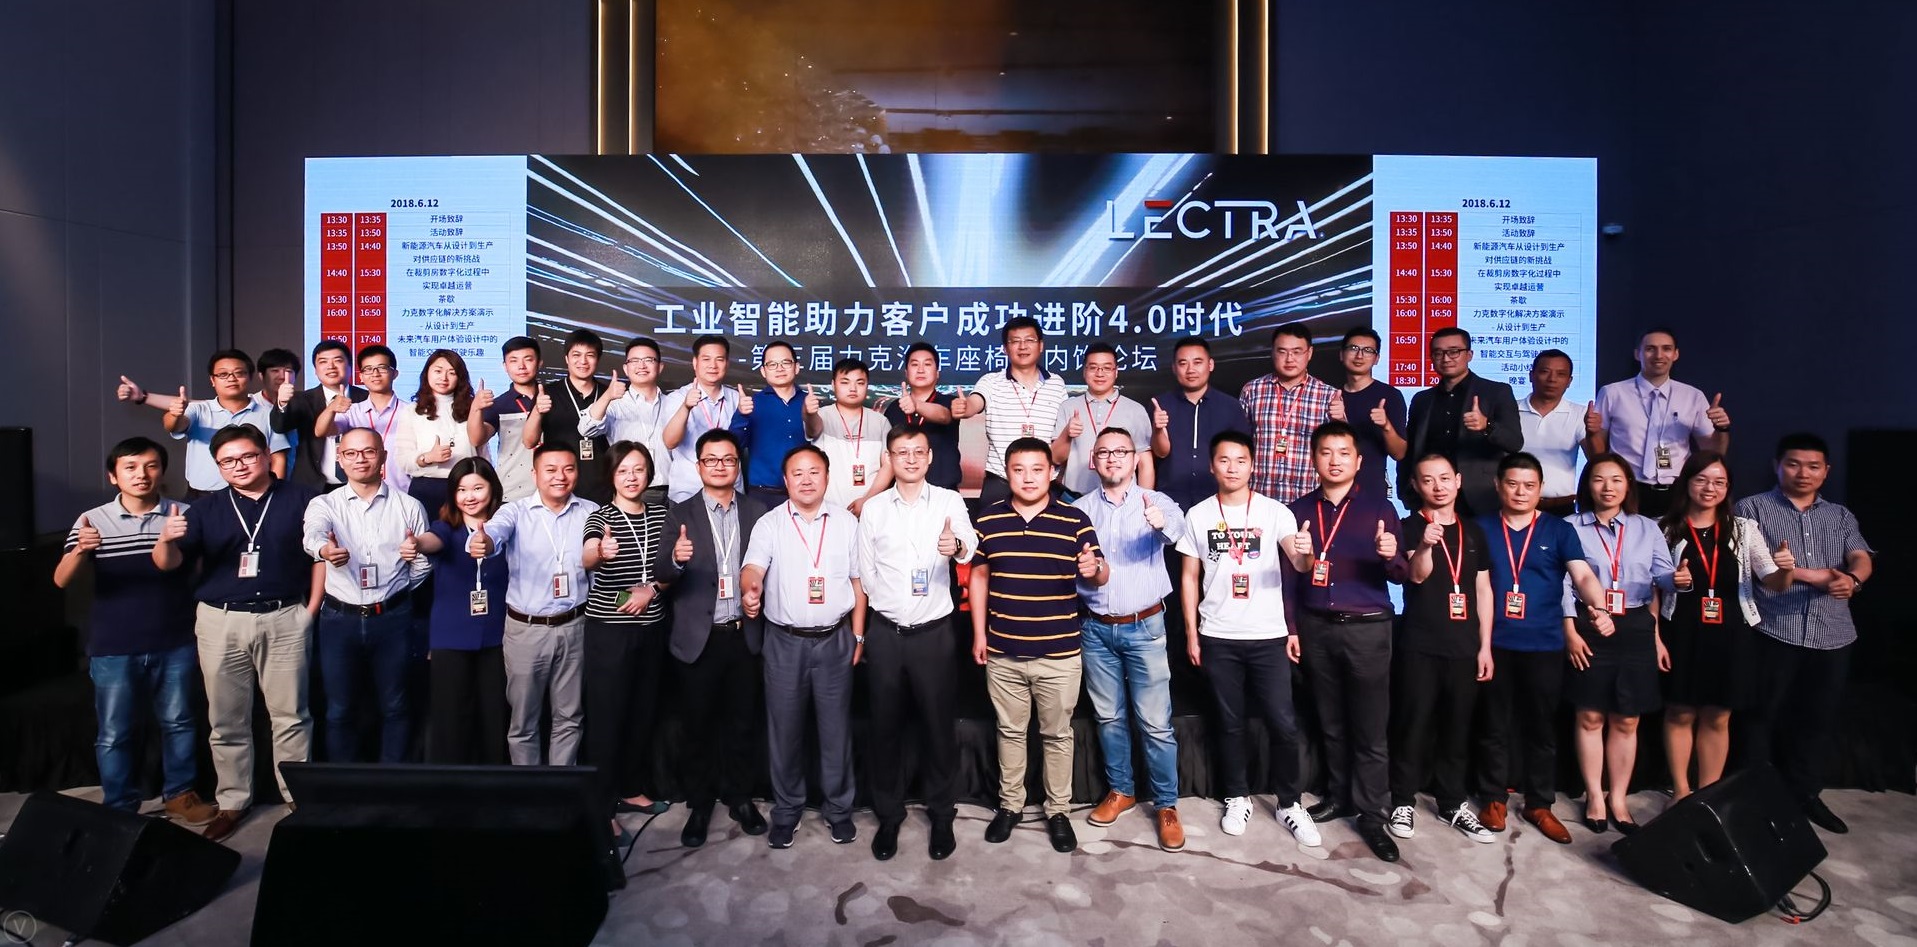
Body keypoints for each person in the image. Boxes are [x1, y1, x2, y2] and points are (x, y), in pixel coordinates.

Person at [152, 425, 322, 843]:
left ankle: (297, 799)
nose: (239, 466)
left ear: (266, 455)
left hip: (285, 616)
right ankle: (232, 801)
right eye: (227, 461)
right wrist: (165, 539)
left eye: (247, 456)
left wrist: (310, 610)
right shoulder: (204, 510)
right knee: (226, 719)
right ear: (218, 467)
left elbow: (321, 555)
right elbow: (168, 564)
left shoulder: (303, 499)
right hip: (220, 620)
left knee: (291, 716)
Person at [55, 437, 217, 826]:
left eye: (150, 465)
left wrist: (171, 541)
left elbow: (197, 572)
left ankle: (180, 795)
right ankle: (119, 806)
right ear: (113, 476)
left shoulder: (183, 513)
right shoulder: (92, 519)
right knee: (115, 732)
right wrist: (80, 550)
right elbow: (60, 580)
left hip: (175, 639)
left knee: (179, 722)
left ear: (162, 471)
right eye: (130, 467)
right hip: (113, 643)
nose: (141, 474)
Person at [1175, 430, 1319, 847]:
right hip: (1218, 634)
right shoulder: (1199, 514)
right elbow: (1189, 577)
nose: (1232, 468)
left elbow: (1300, 563)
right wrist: (1192, 633)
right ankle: (1237, 796)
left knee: (1283, 724)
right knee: (1229, 723)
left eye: (1240, 460)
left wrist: (1308, 550)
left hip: (1268, 635)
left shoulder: (1276, 512)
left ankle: (1290, 803)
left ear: (1252, 465)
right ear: (1212, 466)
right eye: (1224, 460)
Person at [970, 437, 1105, 854]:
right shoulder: (989, 519)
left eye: (1036, 469)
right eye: (1018, 470)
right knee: (1010, 732)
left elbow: (1100, 572)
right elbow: (979, 577)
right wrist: (979, 634)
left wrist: (1095, 567)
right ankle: (1010, 805)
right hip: (1003, 651)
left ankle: (1058, 810)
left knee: (1057, 735)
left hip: (1059, 653)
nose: (1028, 478)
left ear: (1052, 473)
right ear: (1007, 473)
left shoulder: (1075, 519)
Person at [1472, 452, 1614, 845]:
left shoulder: (1558, 529)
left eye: (1529, 485)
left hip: (1545, 643)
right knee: (1493, 725)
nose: (1520, 492)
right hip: (1495, 643)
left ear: (1541, 489)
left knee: (1541, 728)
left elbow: (1582, 575)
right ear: (1498, 485)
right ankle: (1493, 797)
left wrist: (1599, 607)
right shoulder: (1481, 527)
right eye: (1512, 484)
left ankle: (1539, 803)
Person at [1281, 420, 1408, 862]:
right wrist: (1292, 628)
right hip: (1316, 625)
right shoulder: (1298, 510)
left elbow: (1400, 575)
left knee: (1370, 726)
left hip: (1368, 627)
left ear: (1358, 461)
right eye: (1325, 452)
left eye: (1343, 453)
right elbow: (1290, 579)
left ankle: (1372, 814)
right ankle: (1338, 795)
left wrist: (1391, 556)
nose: (1334, 461)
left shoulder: (1380, 508)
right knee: (1330, 720)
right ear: (1313, 459)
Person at [1735, 433, 1872, 834]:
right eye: (1793, 464)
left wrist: (1853, 579)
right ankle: (1757, 797)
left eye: (1813, 466)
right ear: (1777, 466)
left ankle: (1805, 794)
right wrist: (1822, 576)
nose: (1803, 473)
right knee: (1760, 716)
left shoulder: (1840, 515)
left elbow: (1861, 556)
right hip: (1775, 630)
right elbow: (1757, 567)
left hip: (1834, 634)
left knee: (1817, 719)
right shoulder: (1752, 508)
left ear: (1826, 471)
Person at [853, 425, 974, 861]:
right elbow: (865, 572)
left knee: (938, 728)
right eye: (901, 452)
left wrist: (955, 545)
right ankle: (889, 815)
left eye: (918, 452)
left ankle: (941, 813)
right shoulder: (874, 509)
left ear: (929, 458)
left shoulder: (948, 501)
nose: (910, 459)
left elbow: (969, 545)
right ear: (889, 458)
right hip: (886, 634)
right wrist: (881, 615)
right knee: (884, 728)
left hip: (934, 634)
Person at [740, 444, 866, 849]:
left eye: (814, 472)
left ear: (827, 477)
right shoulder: (770, 523)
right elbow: (752, 568)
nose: (806, 480)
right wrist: (751, 589)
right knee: (785, 731)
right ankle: (787, 810)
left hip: (835, 640)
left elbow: (858, 583)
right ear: (785, 480)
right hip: (784, 642)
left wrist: (858, 635)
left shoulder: (846, 523)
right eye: (798, 473)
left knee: (836, 731)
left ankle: (839, 810)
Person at [653, 430, 770, 848]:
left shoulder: (757, 512)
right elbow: (662, 574)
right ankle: (699, 804)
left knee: (742, 724)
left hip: (742, 635)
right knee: (697, 726)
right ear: (699, 465)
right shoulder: (679, 512)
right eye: (711, 460)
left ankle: (741, 798)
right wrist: (676, 559)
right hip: (697, 639)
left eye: (728, 460)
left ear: (738, 466)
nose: (720, 466)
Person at [1072, 428, 1185, 851]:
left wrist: (1161, 523)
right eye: (1104, 452)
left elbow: (1177, 530)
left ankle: (1167, 805)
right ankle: (1121, 790)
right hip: (1095, 628)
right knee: (1109, 718)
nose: (1113, 458)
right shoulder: (1079, 510)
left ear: (1136, 458)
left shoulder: (1156, 502)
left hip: (1145, 627)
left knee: (1155, 723)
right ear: (1093, 461)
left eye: (1121, 451)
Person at [1658, 451, 1791, 799]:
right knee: (1679, 712)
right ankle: (1681, 792)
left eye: (1719, 482)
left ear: (1728, 487)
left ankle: (1707, 795)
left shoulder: (1744, 529)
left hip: (1731, 634)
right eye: (1701, 480)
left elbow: (1773, 581)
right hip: (1681, 632)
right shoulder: (1664, 528)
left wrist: (1786, 569)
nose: (1709, 488)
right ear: (1686, 483)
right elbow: (1651, 587)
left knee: (1718, 716)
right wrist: (1672, 583)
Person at [301, 428, 433, 763]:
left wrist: (396, 587)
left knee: (396, 706)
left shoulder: (409, 506)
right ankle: (343, 786)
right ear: (340, 459)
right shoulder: (324, 504)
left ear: (383, 457)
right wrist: (325, 550)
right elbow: (312, 534)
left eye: (369, 452)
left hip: (393, 618)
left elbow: (422, 564)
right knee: (339, 710)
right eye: (351, 453)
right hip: (338, 620)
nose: (360, 459)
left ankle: (393, 782)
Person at [1560, 453, 1676, 834]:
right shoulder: (1569, 526)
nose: (1607, 487)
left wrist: (1681, 580)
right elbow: (1563, 583)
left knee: (1627, 718)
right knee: (1590, 715)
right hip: (1589, 622)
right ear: (1587, 485)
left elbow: (1663, 578)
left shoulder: (1647, 528)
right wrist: (1570, 630)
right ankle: (1595, 795)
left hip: (1636, 625)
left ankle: (1619, 798)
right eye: (1598, 479)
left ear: (1628, 486)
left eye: (1616, 480)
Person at [1387, 454, 1496, 844]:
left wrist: (1485, 646)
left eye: (1445, 478)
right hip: (1419, 643)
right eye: (1428, 480)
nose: (1438, 486)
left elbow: (1483, 590)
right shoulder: (1408, 527)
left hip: (1465, 646)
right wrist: (1425, 546)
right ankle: (1402, 800)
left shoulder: (1474, 531)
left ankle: (1452, 803)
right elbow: (1415, 577)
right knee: (1412, 724)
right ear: (1416, 485)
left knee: (1457, 727)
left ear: (1458, 481)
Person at [475, 444, 599, 766]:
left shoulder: (590, 511)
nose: (560, 476)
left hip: (575, 626)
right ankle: (528, 790)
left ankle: (562, 788)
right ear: (534, 474)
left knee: (570, 716)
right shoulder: (515, 512)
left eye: (568, 469)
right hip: (526, 630)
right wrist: (483, 542)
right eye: (551, 470)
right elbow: (493, 534)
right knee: (523, 721)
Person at [580, 442, 673, 838]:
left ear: (649, 473)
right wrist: (600, 552)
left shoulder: (663, 514)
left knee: (642, 712)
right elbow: (587, 554)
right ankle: (601, 807)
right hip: (610, 632)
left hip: (652, 628)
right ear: (611, 476)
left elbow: (675, 566)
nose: (632, 477)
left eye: (638, 469)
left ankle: (631, 789)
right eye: (623, 471)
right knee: (607, 719)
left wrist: (652, 588)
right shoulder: (600, 517)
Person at [413, 457, 510, 765]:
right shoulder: (445, 528)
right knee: (451, 719)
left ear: (492, 489)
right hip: (451, 636)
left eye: (477, 488)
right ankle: (450, 784)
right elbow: (431, 541)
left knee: (495, 716)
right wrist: (416, 543)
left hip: (498, 635)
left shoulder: (506, 526)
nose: (470, 497)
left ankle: (495, 781)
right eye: (462, 489)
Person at [1587, 329, 1732, 518]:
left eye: (1666, 349)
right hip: (1628, 488)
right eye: (1650, 349)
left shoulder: (1693, 396)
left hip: (1677, 490)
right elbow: (1597, 454)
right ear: (1637, 354)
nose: (1658, 355)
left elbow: (1713, 453)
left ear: (1676, 354)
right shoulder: (1613, 393)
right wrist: (1591, 433)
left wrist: (1721, 429)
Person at [1400, 328, 1521, 517]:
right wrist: (1405, 491)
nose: (1446, 358)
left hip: (1482, 497)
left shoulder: (1497, 392)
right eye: (1438, 353)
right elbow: (1410, 452)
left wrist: (1487, 426)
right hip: (1431, 496)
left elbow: (1514, 442)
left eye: (1454, 351)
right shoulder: (1422, 399)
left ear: (1469, 355)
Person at [951, 317, 1068, 506]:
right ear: (1005, 348)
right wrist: (966, 408)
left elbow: (1062, 433)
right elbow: (976, 401)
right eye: (1015, 341)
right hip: (1000, 481)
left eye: (1029, 340)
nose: (1022, 346)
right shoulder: (991, 381)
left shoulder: (1057, 383)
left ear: (1041, 346)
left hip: (1045, 482)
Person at [145, 350, 292, 496]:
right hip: (202, 495)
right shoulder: (199, 409)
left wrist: (274, 495)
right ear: (212, 380)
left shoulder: (268, 413)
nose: (231, 379)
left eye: (239, 373)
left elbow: (278, 458)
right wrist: (175, 414)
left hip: (253, 495)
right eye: (223, 374)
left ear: (250, 377)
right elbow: (174, 425)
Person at [1239, 323, 1340, 504]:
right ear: (1272, 352)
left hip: (1307, 499)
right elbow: (1237, 442)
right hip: (1258, 497)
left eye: (1297, 352)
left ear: (1309, 353)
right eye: (1282, 352)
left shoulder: (1328, 395)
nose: (1289, 359)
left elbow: (1340, 446)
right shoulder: (1252, 390)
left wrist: (1341, 419)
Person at [1149, 337, 1250, 514]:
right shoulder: (1160, 405)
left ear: (1210, 365)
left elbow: (1243, 455)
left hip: (1217, 499)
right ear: (1174, 367)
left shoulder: (1230, 406)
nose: (1190, 370)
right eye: (1183, 363)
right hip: (1171, 499)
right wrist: (1158, 430)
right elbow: (1160, 453)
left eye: (1197, 362)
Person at [523, 329, 613, 504]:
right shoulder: (548, 393)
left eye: (590, 355)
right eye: (576, 355)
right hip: (560, 486)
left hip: (604, 488)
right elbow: (528, 442)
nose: (583, 361)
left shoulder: (609, 394)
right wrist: (537, 411)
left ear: (598, 359)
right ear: (566, 358)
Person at [1052, 344, 1154, 497]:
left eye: (1106, 368)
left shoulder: (1135, 409)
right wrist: (1067, 433)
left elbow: (1145, 463)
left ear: (1116, 372)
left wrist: (1144, 502)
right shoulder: (1068, 407)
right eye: (1093, 367)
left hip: (1122, 499)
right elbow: (1055, 458)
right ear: (1084, 371)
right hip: (1073, 498)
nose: (1099, 373)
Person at [581, 338, 673, 507]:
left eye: (648, 360)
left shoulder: (673, 403)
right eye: (635, 361)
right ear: (626, 368)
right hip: (632, 491)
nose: (641, 366)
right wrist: (607, 396)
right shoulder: (615, 404)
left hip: (675, 491)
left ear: (660, 367)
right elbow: (586, 428)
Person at [393, 349, 484, 519]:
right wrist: (427, 457)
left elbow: (483, 455)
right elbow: (402, 460)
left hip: (467, 489)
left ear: (460, 377)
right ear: (427, 373)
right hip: (427, 489)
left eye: (452, 373)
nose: (444, 378)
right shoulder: (412, 411)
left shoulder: (473, 409)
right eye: (438, 371)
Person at [270, 340, 366, 490]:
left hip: (360, 486)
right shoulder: (301, 399)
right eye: (323, 362)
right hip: (312, 487)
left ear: (350, 366)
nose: (331, 366)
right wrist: (281, 402)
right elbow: (279, 426)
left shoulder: (366, 398)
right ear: (315, 370)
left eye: (338, 360)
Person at [728, 340, 815, 502]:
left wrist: (811, 415)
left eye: (785, 363)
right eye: (772, 364)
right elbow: (733, 447)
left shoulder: (810, 403)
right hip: (763, 495)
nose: (779, 368)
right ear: (763, 371)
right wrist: (741, 415)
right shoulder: (752, 404)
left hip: (805, 491)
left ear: (796, 367)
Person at [661, 334, 744, 503]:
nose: (713, 365)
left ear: (727, 363)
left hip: (731, 492)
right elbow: (670, 442)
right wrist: (686, 407)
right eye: (706, 359)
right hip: (689, 492)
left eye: (719, 359)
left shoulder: (737, 399)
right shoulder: (677, 398)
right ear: (695, 363)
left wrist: (744, 416)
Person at [1333, 327, 1408, 503]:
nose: (1359, 355)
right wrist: (1340, 422)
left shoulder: (1390, 395)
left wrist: (1386, 426)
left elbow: (1399, 453)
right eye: (1353, 348)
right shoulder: (1331, 395)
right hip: (1332, 489)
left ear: (1377, 358)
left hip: (1372, 492)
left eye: (1368, 350)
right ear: (1341, 355)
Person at [321, 345, 407, 494]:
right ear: (361, 376)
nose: (375, 374)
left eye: (382, 368)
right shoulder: (352, 411)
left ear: (395, 373)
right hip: (360, 494)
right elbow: (322, 431)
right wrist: (331, 409)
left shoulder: (410, 412)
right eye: (368, 369)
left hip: (402, 493)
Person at [814, 358, 892, 515]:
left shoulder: (880, 421)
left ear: (867, 385)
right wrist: (808, 412)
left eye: (860, 383)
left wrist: (867, 500)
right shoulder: (820, 417)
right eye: (845, 382)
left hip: (871, 509)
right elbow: (810, 426)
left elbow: (889, 466)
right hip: (828, 510)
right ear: (833, 385)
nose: (853, 388)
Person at [470, 336, 544, 501]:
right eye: (513, 360)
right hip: (512, 491)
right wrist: (476, 408)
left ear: (539, 363)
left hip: (554, 488)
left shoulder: (554, 398)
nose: (521, 366)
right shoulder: (498, 405)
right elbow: (477, 439)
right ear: (505, 366)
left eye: (528, 359)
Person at [882, 342, 962, 491]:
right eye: (914, 364)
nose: (920, 370)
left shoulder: (950, 402)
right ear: (906, 373)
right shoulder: (894, 408)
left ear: (937, 373)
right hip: (902, 492)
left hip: (943, 491)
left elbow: (944, 416)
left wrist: (916, 405)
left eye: (927, 364)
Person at [1516, 349, 1586, 515]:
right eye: (1544, 372)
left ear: (1569, 381)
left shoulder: (1580, 413)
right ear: (1531, 375)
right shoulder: (1510, 410)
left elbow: (1596, 460)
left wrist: (1594, 433)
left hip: (1562, 507)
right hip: (1516, 503)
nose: (1552, 379)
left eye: (1561, 374)